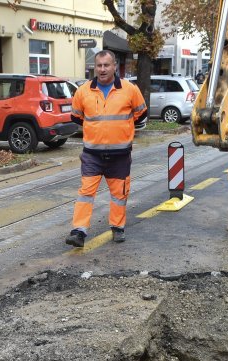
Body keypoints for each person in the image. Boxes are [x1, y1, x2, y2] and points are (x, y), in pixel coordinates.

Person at [66, 50, 147, 248]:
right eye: (99, 65)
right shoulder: (83, 91)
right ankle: (78, 231)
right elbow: (76, 117)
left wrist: (121, 132)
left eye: (106, 65)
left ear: (114, 66)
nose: (102, 69)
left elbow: (141, 114)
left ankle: (117, 227)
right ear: (95, 67)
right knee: (86, 192)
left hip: (120, 155)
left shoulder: (130, 89)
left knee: (119, 194)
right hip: (92, 155)